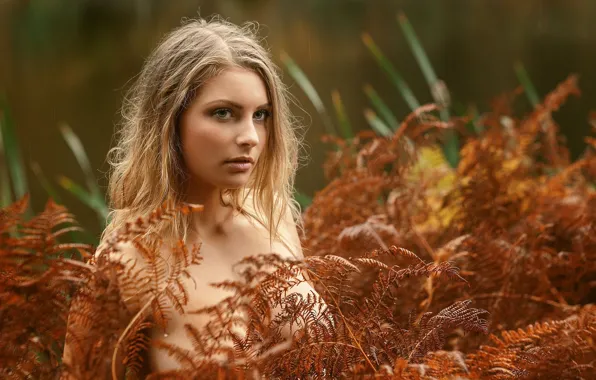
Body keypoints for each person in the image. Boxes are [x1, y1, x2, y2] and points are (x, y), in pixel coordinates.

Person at [63, 16, 316, 377]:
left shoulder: (272, 218)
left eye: (261, 115)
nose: (251, 137)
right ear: (170, 123)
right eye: (223, 113)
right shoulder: (127, 264)